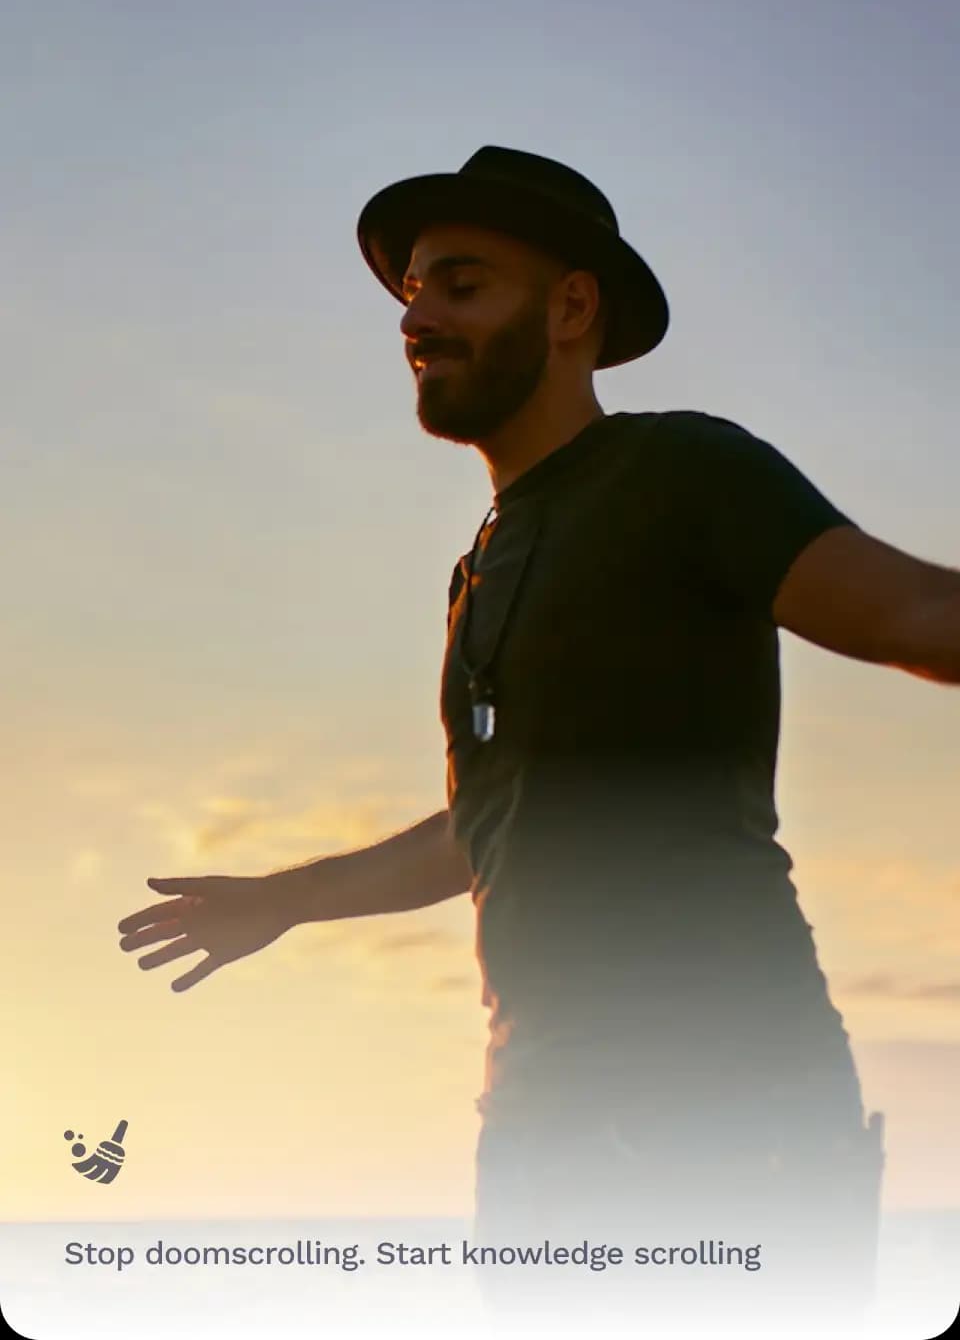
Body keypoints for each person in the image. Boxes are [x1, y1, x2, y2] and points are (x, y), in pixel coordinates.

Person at [118, 147, 958, 1334]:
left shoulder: (682, 471)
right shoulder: (480, 565)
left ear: (571, 307)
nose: (417, 316)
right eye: (412, 290)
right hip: (537, 1124)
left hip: (728, 1102)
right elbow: (489, 823)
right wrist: (285, 897)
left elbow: (918, 615)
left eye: (461, 283)